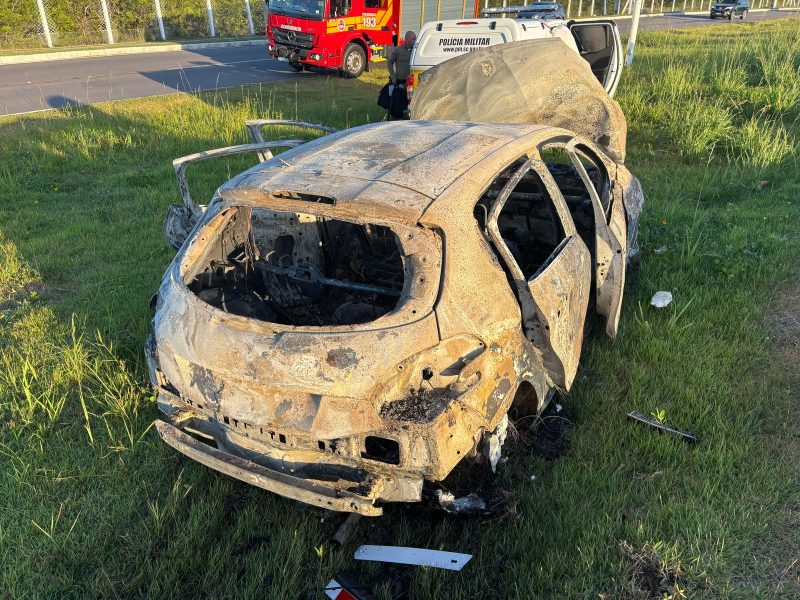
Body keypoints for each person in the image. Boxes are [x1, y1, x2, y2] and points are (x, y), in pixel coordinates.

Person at [385, 31, 416, 119]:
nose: (415, 40)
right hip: (401, 82)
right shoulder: (397, 50)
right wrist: (392, 76)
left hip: (413, 82)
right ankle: (397, 119)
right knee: (399, 104)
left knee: (411, 104)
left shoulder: (417, 50)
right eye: (413, 38)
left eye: (415, 38)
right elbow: (389, 63)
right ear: (406, 39)